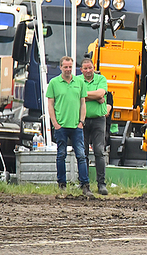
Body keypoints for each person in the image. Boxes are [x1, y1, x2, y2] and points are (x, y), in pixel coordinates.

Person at [46, 56, 92, 197]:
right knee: (61, 155)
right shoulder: (54, 83)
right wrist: (55, 123)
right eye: (65, 67)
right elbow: (50, 104)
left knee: (81, 155)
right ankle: (62, 184)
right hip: (61, 126)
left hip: (76, 126)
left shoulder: (79, 82)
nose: (68, 69)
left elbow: (83, 103)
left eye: (70, 67)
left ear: (73, 67)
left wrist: (81, 122)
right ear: (60, 67)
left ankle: (85, 185)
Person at [76, 58, 109, 195]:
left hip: (98, 120)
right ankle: (84, 183)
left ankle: (101, 184)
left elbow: (101, 93)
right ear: (81, 70)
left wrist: (84, 96)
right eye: (85, 68)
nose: (88, 71)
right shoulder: (77, 80)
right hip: (81, 120)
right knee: (82, 153)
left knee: (99, 151)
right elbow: (74, 95)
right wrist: (94, 96)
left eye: (90, 68)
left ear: (93, 67)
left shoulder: (101, 79)